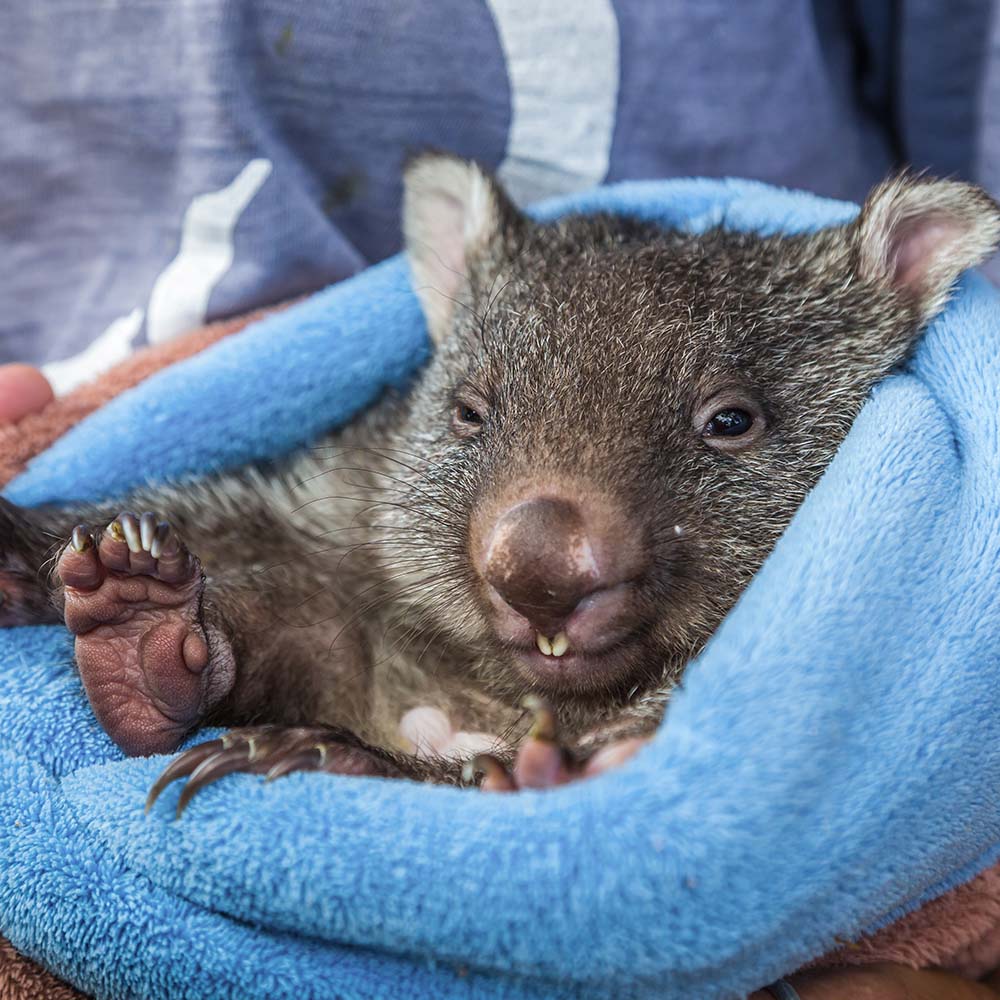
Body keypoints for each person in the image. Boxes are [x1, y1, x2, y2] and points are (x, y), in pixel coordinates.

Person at [3, 3, 1000, 997]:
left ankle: (472, 786)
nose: (541, 555)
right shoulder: (426, 410)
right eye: (478, 418)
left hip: (650, 752)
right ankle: (183, 644)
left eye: (727, 424)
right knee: (260, 577)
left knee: (653, 784)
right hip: (332, 624)